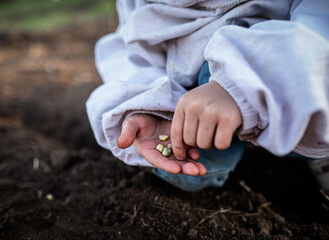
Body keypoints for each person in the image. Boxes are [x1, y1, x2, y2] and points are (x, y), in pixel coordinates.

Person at [87, 0, 329, 192]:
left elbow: (320, 30)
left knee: (310, 113)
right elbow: (132, 52)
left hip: (285, 79)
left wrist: (236, 87)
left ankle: (315, 149)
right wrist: (148, 104)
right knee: (187, 167)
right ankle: (243, 155)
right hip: (193, 98)